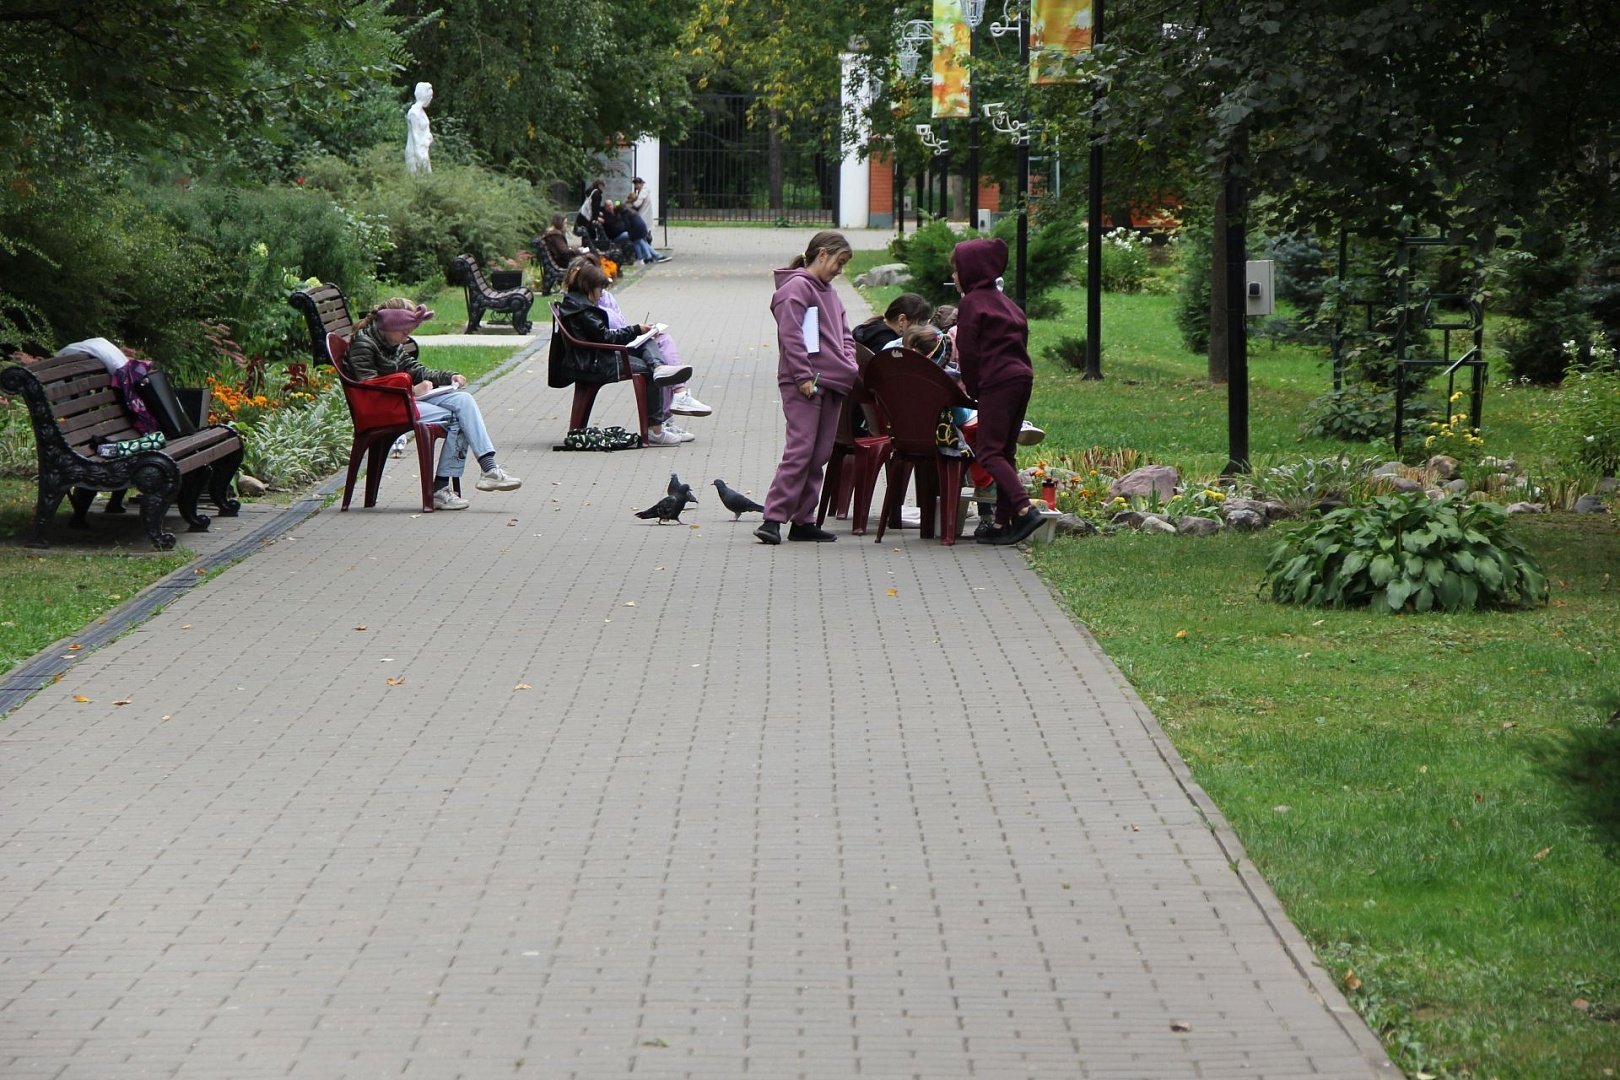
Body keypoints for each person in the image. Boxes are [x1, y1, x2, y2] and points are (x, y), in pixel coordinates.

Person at [343, 299, 521, 509]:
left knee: (463, 400)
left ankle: (488, 468)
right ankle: (440, 488)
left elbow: (416, 369)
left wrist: (449, 376)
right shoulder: (364, 344)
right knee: (458, 418)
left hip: (400, 400)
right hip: (385, 408)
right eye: (404, 330)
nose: (407, 336)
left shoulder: (391, 343)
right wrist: (411, 391)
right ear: (390, 325)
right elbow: (369, 388)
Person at [756, 230, 858, 545]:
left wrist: (849, 362)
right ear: (822, 254)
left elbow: (845, 334)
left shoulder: (829, 292)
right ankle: (773, 517)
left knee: (820, 453)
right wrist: (802, 376)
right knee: (801, 449)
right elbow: (792, 336)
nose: (839, 270)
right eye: (838, 262)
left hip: (832, 381)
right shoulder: (797, 288)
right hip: (805, 383)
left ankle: (803, 520)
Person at [953, 237, 1045, 545]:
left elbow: (967, 350)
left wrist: (974, 387)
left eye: (957, 270)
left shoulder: (971, 303)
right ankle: (1004, 523)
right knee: (1006, 451)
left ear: (971, 270)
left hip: (996, 381)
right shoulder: (1008, 304)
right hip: (1022, 377)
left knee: (988, 451)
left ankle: (1023, 509)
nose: (954, 277)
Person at [563, 253, 712, 434]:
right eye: (599, 288)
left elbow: (613, 328)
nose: (602, 293)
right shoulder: (584, 308)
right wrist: (635, 330)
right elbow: (607, 335)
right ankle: (658, 426)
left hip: (604, 352)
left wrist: (638, 331)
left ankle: (673, 396)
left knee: (656, 343)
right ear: (587, 283)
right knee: (653, 364)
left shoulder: (585, 302)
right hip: (601, 358)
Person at [852, 293, 932, 353]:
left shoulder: (872, 325)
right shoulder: (891, 344)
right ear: (901, 320)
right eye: (918, 325)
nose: (920, 331)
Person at [405, 82, 433, 174]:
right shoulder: (414, 113)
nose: (431, 98)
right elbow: (415, 136)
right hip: (416, 152)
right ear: (424, 96)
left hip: (424, 149)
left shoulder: (422, 112)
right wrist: (420, 156)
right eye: (430, 96)